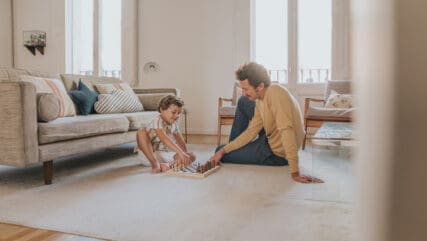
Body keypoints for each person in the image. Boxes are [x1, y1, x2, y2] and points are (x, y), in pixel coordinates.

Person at [210, 62, 323, 183]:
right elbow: (251, 132)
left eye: (245, 89)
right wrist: (225, 150)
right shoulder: (260, 100)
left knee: (220, 152)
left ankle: (232, 151)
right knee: (222, 150)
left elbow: (286, 130)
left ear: (260, 86)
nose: (243, 92)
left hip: (277, 154)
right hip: (270, 139)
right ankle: (232, 150)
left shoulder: (276, 93)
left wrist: (295, 172)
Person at [136, 95, 195, 173]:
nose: (177, 116)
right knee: (141, 132)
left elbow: (180, 141)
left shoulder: (174, 123)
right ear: (162, 110)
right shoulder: (156, 121)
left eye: (179, 113)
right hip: (148, 156)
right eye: (173, 112)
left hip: (163, 154)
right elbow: (164, 139)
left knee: (192, 155)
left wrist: (184, 155)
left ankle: (168, 166)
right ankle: (155, 164)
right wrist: (180, 153)